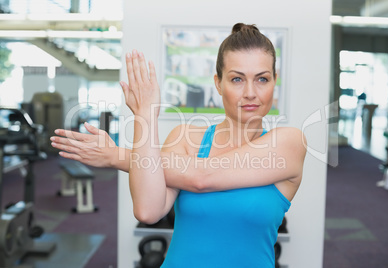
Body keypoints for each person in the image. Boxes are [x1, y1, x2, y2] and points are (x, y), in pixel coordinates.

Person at [50, 23, 307, 267]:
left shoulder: (289, 143)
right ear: (218, 83)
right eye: (237, 79)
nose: (250, 92)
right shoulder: (184, 138)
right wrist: (145, 114)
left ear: (275, 81)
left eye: (262, 79)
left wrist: (115, 156)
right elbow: (148, 210)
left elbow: (202, 177)